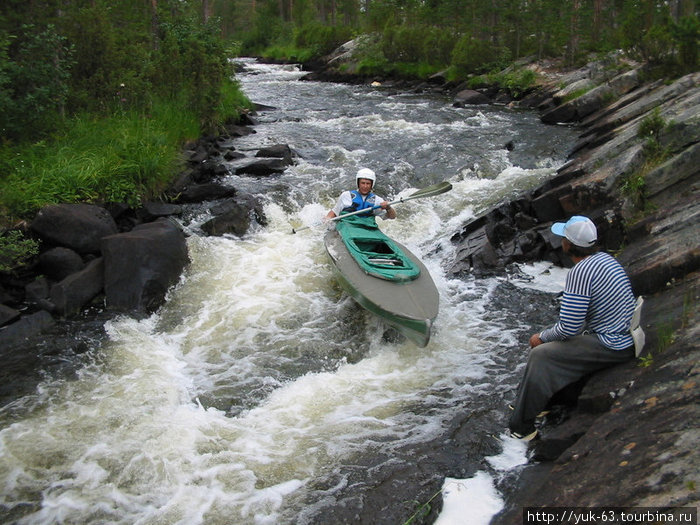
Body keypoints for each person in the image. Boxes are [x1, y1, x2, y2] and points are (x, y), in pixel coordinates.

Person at [508, 216, 637, 441]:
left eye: (563, 238)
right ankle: (546, 402)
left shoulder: (580, 272)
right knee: (554, 346)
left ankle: (521, 426)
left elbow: (569, 327)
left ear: (568, 244)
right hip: (622, 335)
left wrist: (541, 336)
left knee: (541, 353)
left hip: (613, 343)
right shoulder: (605, 259)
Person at [326, 168, 397, 222]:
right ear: (358, 183)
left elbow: (392, 217)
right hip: (348, 225)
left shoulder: (377, 200)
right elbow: (334, 212)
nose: (365, 186)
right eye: (363, 183)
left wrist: (388, 208)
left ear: (372, 185)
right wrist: (326, 221)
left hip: (366, 227)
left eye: (368, 183)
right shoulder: (346, 196)